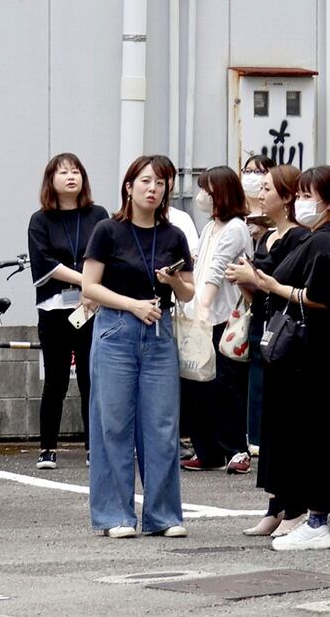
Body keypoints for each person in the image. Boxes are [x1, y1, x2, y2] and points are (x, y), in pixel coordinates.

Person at [227, 166, 330, 551]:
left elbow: (321, 298)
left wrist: (274, 286)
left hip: (313, 354)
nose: (300, 202)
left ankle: (318, 519)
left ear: (328, 201)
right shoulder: (327, 238)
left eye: (307, 195)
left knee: (317, 435)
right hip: (321, 352)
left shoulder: (322, 242)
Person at [82, 155, 194, 538]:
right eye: (146, 181)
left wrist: (172, 281)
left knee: (162, 425)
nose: (153, 189)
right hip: (116, 329)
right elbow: (90, 287)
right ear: (129, 186)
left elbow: (188, 291)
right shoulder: (107, 230)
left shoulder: (173, 235)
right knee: (113, 423)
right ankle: (115, 515)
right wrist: (132, 305)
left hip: (160, 332)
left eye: (160, 183)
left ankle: (163, 516)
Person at [233, 165, 308, 528]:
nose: (260, 194)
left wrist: (255, 278)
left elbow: (284, 285)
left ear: (287, 195)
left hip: (290, 337)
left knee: (288, 423)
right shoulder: (266, 238)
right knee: (269, 424)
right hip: (265, 330)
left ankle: (294, 507)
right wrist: (243, 280)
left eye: (267, 188)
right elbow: (259, 294)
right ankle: (275, 506)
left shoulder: (299, 238)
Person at [27, 153, 108, 470]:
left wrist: (92, 291)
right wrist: (87, 282)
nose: (71, 176)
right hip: (55, 309)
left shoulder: (98, 215)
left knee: (91, 379)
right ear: (51, 180)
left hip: (91, 308)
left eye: (76, 171)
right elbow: (44, 263)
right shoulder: (40, 220)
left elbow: (107, 255)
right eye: (63, 172)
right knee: (55, 380)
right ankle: (47, 447)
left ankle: (94, 447)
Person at [180, 166, 254, 473]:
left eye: (206, 190)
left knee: (225, 386)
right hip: (201, 315)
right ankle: (208, 450)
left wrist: (203, 307)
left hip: (221, 317)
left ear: (220, 194)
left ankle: (236, 449)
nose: (201, 196)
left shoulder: (235, 228)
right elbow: (200, 264)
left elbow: (216, 271)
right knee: (198, 385)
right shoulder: (212, 226)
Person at [241, 154, 275, 240]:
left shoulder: (276, 209)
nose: (251, 176)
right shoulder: (236, 206)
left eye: (258, 171)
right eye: (247, 171)